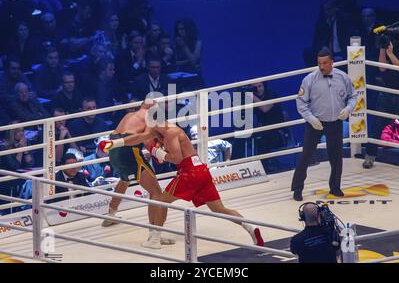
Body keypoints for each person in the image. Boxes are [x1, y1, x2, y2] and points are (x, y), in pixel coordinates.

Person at [128, 119, 265, 249]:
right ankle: (251, 228)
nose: (150, 132)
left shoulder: (170, 133)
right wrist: (158, 149)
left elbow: (177, 159)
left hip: (190, 172)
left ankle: (155, 240)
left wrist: (157, 152)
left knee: (161, 201)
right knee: (219, 208)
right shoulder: (172, 131)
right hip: (201, 170)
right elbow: (166, 154)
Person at [291, 48, 357, 201]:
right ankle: (297, 188)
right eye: (319, 63)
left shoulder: (343, 77)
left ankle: (335, 187)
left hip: (335, 122)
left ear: (332, 62)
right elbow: (301, 102)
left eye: (325, 63)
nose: (321, 66)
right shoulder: (309, 80)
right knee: (306, 155)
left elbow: (353, 96)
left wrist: (348, 109)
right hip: (315, 122)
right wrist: (311, 119)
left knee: (336, 156)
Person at [97, 100, 166, 236]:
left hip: (114, 150)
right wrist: (159, 153)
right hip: (128, 150)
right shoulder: (149, 117)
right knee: (156, 191)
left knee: (124, 180)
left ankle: (110, 215)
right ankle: (154, 235)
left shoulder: (129, 116)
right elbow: (146, 139)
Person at [362, 40, 399, 169]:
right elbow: (382, 67)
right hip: (387, 91)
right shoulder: (393, 44)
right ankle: (369, 157)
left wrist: (391, 54)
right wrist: (383, 48)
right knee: (377, 126)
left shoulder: (393, 50)